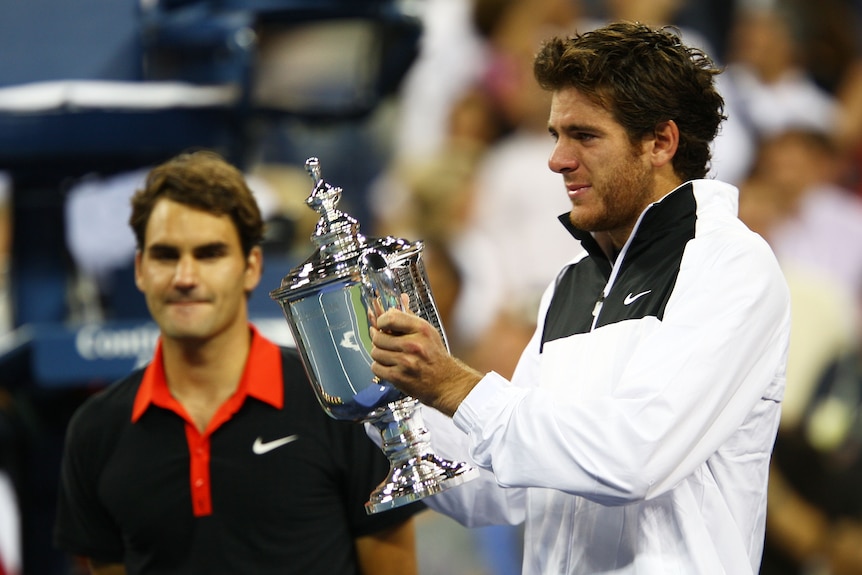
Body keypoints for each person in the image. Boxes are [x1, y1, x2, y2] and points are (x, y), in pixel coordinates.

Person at [367, 22, 792, 574]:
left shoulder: (730, 266)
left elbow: (634, 458)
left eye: (585, 136)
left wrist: (455, 384)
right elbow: (499, 491)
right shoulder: (572, 280)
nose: (558, 160)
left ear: (661, 142)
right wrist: (385, 398)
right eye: (555, 135)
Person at [53, 150, 423, 575]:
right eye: (166, 255)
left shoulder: (343, 404)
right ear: (140, 269)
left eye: (209, 253)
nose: (185, 276)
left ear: (251, 267)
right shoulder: (95, 431)